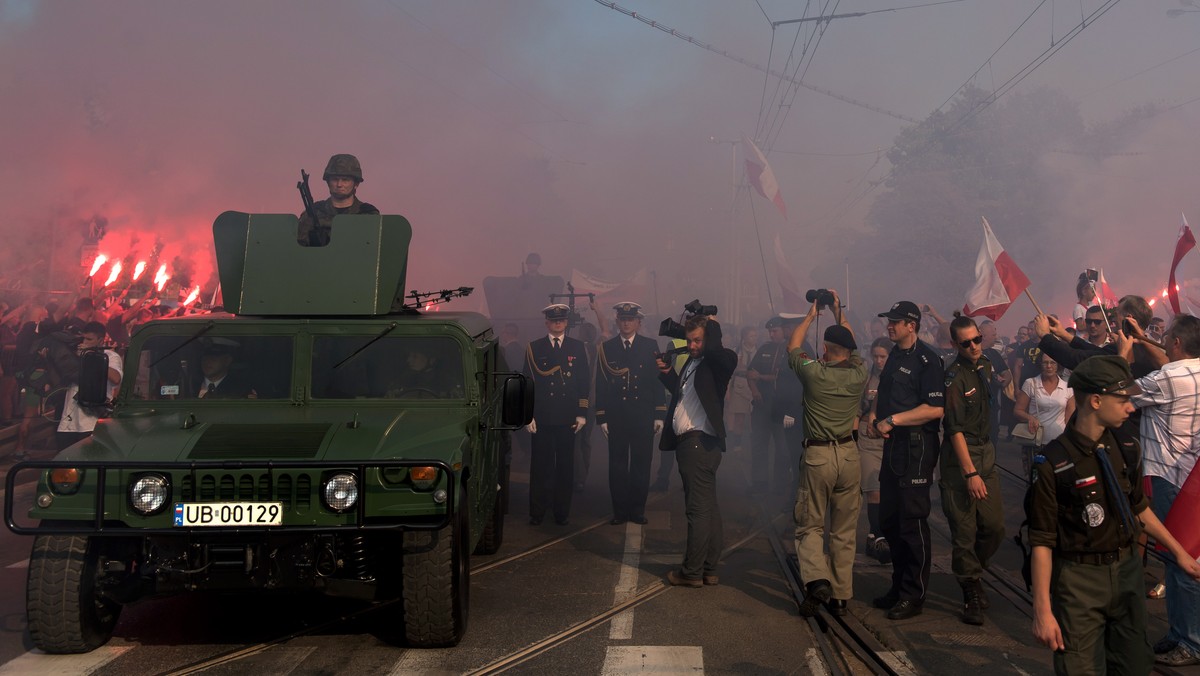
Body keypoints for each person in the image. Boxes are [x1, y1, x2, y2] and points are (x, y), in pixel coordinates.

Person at [1028, 356, 1200, 674]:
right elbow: (1042, 540)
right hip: (1080, 582)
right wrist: (1042, 610)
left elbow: (1138, 507)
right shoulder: (1053, 463)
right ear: (1095, 400)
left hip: (1126, 574)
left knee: (1134, 664)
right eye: (1123, 400)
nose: (1131, 408)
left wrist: (1179, 554)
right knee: (1080, 667)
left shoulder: (1127, 446)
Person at [785, 291, 867, 617]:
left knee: (810, 525)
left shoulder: (813, 373)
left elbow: (793, 346)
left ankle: (817, 580)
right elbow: (850, 340)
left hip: (818, 457)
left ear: (824, 350)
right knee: (845, 529)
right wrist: (837, 309)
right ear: (849, 351)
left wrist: (810, 316)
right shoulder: (859, 373)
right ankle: (842, 595)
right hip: (849, 455)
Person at [1126, 314, 1200, 666]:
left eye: (1166, 336)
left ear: (1175, 344)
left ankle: (1190, 641)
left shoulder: (1168, 377)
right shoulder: (1192, 370)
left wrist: (1124, 351)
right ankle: (1179, 633)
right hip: (1193, 480)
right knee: (1180, 559)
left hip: (1171, 477)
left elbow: (1121, 394)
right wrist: (1144, 339)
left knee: (1180, 561)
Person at [867, 301, 944, 620]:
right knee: (890, 519)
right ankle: (898, 586)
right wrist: (876, 417)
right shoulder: (895, 354)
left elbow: (935, 409)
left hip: (917, 447)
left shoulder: (928, 360)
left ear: (912, 325)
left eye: (896, 322)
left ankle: (914, 594)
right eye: (889, 320)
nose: (890, 325)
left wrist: (894, 420)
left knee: (912, 523)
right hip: (893, 445)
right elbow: (884, 396)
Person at [658, 314, 737, 587]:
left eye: (697, 340)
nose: (691, 345)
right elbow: (684, 396)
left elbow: (717, 352)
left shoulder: (721, 361)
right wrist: (667, 373)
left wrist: (712, 327)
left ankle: (691, 572)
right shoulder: (694, 362)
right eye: (689, 340)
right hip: (694, 444)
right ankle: (708, 568)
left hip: (698, 444)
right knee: (709, 509)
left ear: (710, 338)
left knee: (697, 511)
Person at [939, 313, 1006, 625]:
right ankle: (970, 592)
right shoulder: (954, 378)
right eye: (966, 343)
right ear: (956, 345)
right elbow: (953, 430)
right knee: (964, 530)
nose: (974, 346)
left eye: (977, 339)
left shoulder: (986, 366)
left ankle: (971, 571)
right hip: (960, 460)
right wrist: (969, 473)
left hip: (986, 452)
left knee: (994, 527)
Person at [595, 302, 666, 525]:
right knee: (616, 467)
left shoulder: (650, 345)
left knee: (641, 465)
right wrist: (602, 416)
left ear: (638, 322)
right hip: (617, 416)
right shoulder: (607, 348)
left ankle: (637, 510)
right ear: (617, 322)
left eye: (630, 319)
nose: (626, 323)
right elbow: (601, 384)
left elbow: (657, 382)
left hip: (642, 415)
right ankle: (619, 512)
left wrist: (659, 414)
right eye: (622, 319)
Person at [523, 304, 590, 526]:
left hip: (567, 418)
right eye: (554, 321)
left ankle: (562, 512)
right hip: (541, 417)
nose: (558, 323)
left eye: (561, 320)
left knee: (565, 467)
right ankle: (537, 511)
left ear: (566, 323)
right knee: (540, 466)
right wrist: (527, 415)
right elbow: (528, 385)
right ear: (547, 323)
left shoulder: (578, 347)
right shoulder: (534, 348)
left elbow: (583, 382)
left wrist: (582, 413)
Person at [56, 322, 122, 450]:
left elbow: (116, 378)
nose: (84, 342)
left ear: (101, 340)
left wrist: (91, 355)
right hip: (68, 421)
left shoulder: (110, 356)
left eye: (89, 339)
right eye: (83, 338)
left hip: (91, 421)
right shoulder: (76, 355)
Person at [857, 337, 892, 564]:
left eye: (883, 356)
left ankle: (874, 532)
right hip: (868, 436)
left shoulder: (901, 377)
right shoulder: (865, 378)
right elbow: (856, 408)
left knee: (890, 492)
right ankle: (879, 537)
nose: (879, 361)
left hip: (892, 437)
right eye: (875, 356)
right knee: (874, 489)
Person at [296, 154, 380, 247]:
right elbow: (299, 247)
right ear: (328, 182)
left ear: (356, 184)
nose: (339, 184)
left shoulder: (367, 214)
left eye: (345, 180)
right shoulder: (313, 212)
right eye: (335, 179)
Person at [1013, 353, 1074, 478]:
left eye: (1053, 363)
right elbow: (1018, 410)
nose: (1049, 366)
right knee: (1035, 480)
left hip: (1058, 443)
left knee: (1057, 480)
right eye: (1045, 363)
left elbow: (1070, 418)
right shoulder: (1031, 383)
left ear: (1058, 365)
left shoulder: (1068, 387)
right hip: (1035, 443)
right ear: (1040, 364)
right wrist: (1030, 417)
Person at [747, 316, 789, 494]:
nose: (772, 335)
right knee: (758, 445)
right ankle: (759, 482)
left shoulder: (791, 351)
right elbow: (751, 371)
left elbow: (784, 378)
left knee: (782, 448)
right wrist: (754, 389)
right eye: (770, 331)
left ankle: (780, 485)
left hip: (780, 408)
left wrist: (762, 377)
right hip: (761, 405)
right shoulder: (764, 348)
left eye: (775, 331)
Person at [727, 325, 759, 453]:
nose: (754, 338)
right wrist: (728, 390)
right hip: (740, 386)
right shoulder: (736, 351)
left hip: (754, 387)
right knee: (739, 417)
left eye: (755, 336)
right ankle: (737, 444)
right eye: (751, 336)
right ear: (744, 337)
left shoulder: (759, 351)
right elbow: (730, 371)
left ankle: (754, 444)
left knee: (754, 418)